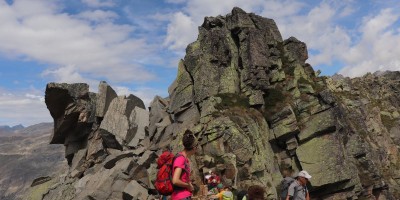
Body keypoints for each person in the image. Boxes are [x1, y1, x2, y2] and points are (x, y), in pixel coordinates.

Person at [171, 130, 198, 200]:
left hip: (183, 196)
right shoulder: (181, 159)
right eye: (197, 147)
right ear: (194, 147)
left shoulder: (184, 159)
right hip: (181, 196)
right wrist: (188, 185)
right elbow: (175, 180)